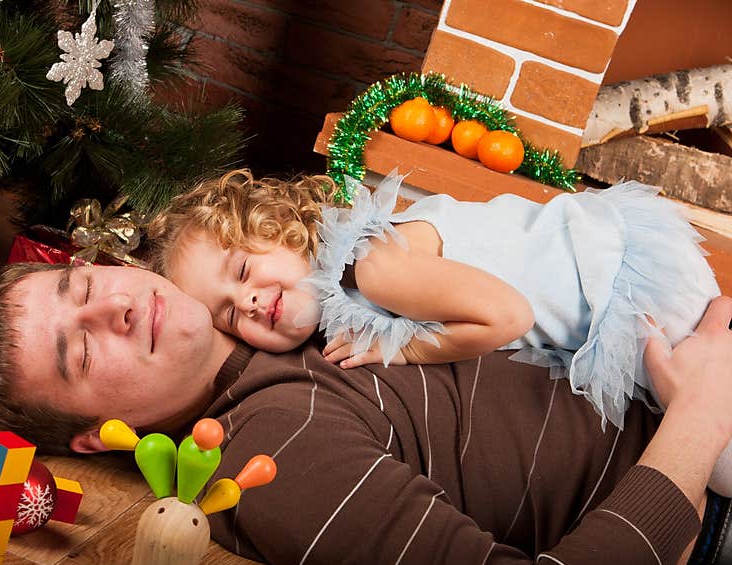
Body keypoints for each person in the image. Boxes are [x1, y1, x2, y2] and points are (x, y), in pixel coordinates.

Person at [0, 262, 732, 565]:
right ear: (88, 433)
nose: (114, 304)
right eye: (80, 349)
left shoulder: (273, 302)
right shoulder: (270, 454)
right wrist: (701, 412)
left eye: (83, 282)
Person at [144, 169, 732, 496]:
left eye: (244, 270)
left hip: (622, 292)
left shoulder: (374, 266)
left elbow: (508, 317)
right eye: (228, 314)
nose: (247, 300)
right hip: (611, 291)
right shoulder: (352, 282)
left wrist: (400, 349)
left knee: (721, 460)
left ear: (284, 230)